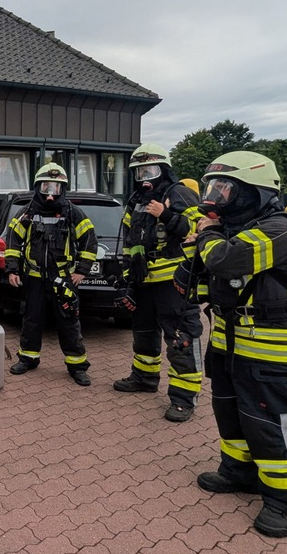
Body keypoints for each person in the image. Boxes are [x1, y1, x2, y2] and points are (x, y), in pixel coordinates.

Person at [189, 150, 287, 538]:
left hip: (265, 344)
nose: (216, 197)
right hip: (227, 338)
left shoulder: (278, 229)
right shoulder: (230, 227)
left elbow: (226, 261)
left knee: (270, 420)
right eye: (214, 188)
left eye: (225, 189)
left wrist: (205, 234)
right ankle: (238, 471)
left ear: (253, 191)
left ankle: (284, 499)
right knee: (229, 412)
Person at [112, 143, 205, 423]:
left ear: (163, 169)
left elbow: (200, 230)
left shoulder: (179, 193)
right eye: (139, 171)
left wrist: (164, 215)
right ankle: (144, 378)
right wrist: (127, 278)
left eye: (150, 170)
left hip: (174, 283)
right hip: (144, 281)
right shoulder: (135, 200)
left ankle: (183, 399)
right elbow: (129, 241)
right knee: (142, 332)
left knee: (181, 340)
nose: (144, 177)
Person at [3, 163, 97, 386]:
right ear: (38, 187)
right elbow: (13, 242)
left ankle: (77, 366)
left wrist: (82, 272)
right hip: (34, 278)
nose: (50, 194)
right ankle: (28, 359)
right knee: (31, 320)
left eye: (55, 188)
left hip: (62, 279)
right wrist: (12, 269)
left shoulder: (73, 213)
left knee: (68, 323)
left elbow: (90, 243)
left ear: (62, 189)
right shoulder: (26, 213)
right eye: (46, 187)